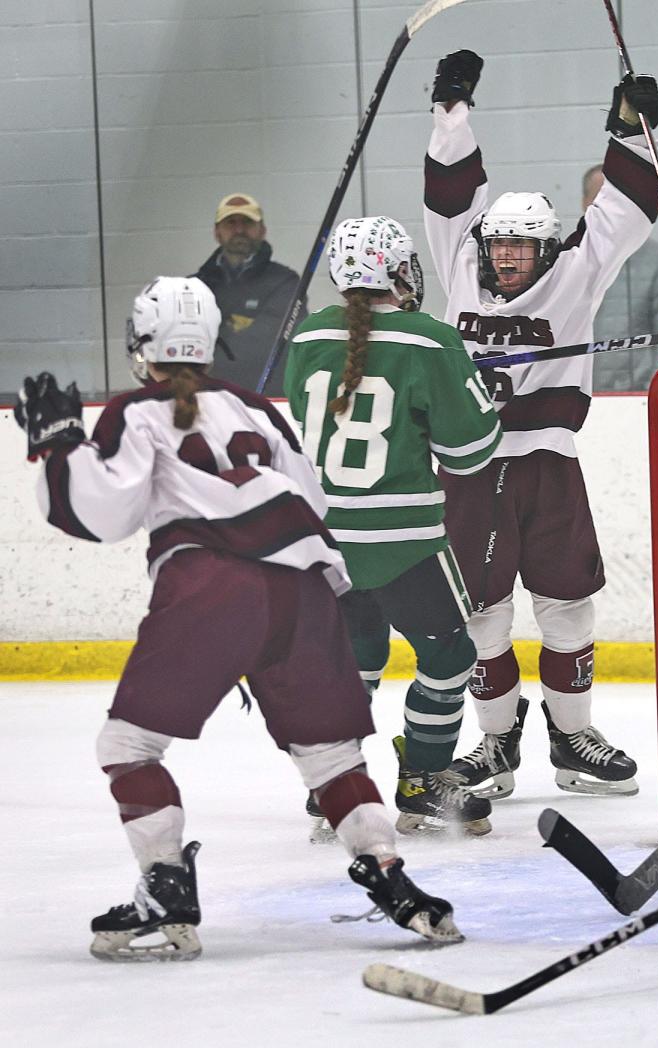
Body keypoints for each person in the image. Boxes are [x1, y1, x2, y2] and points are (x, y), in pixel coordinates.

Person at [13, 276, 462, 961]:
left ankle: (166, 887)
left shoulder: (136, 412)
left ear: (143, 347)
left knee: (127, 749)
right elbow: (313, 500)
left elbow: (102, 513)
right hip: (308, 590)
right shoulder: (256, 409)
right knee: (330, 757)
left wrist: (56, 447)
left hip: (211, 586)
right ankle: (394, 881)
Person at [421, 50, 658, 798]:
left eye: (520, 248)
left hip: (547, 465)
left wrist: (629, 130)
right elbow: (451, 194)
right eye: (497, 248)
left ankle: (573, 738)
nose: (505, 260)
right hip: (467, 472)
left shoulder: (576, 273)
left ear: (546, 247)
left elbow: (624, 212)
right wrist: (451, 111)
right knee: (481, 618)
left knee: (567, 605)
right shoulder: (459, 262)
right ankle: (495, 745)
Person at [285, 216, 502, 836]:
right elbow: (470, 453)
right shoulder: (430, 341)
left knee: (355, 657)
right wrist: (480, 394)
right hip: (403, 540)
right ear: (400, 272)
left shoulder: (305, 339)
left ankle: (335, 781)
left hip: (325, 540)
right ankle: (425, 780)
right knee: (449, 652)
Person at [581, 164, 658, 391]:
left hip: (640, 400)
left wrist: (652, 394)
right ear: (586, 204)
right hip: (577, 400)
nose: (610, 211)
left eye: (616, 202)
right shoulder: (568, 260)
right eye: (601, 202)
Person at [194, 193, 300, 397]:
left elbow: (270, 341)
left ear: (262, 231)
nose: (239, 230)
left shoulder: (287, 282)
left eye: (247, 222)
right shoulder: (196, 285)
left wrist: (218, 337)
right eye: (230, 223)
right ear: (217, 232)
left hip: (269, 399)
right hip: (210, 399)